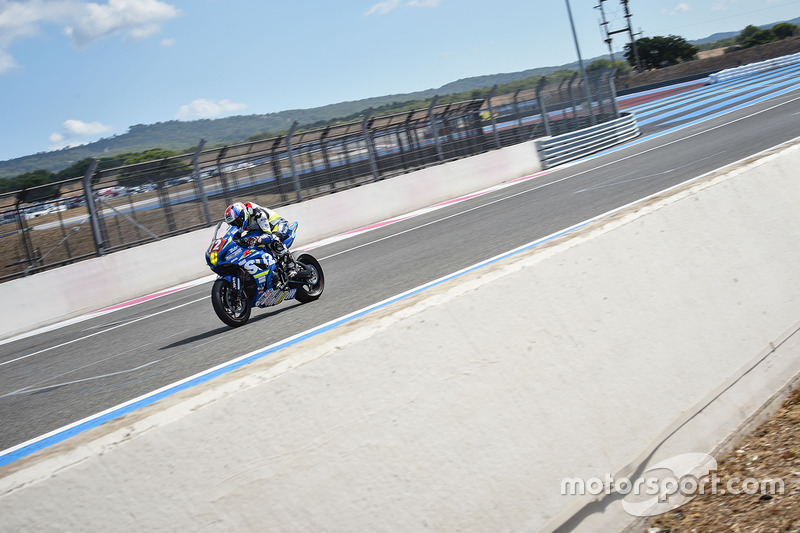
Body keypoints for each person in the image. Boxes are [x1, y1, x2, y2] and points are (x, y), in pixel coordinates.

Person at [224, 201, 297, 286]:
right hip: (260, 230)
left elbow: (268, 235)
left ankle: (292, 265)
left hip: (276, 225)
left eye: (237, 222)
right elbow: (233, 238)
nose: (236, 225)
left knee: (274, 241)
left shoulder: (258, 213)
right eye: (233, 224)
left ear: (243, 215)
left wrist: (256, 239)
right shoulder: (239, 224)